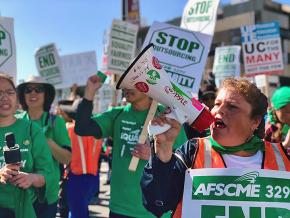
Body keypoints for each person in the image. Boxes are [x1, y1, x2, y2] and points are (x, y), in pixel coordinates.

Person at [141, 78, 290, 217]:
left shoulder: (283, 159)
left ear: (255, 122)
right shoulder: (192, 152)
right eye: (217, 104)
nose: (219, 110)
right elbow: (156, 204)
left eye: (232, 106)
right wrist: (163, 150)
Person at [75, 74, 187, 218]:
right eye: (124, 83)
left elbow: (186, 161)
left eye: (132, 82)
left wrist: (157, 155)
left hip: (158, 211)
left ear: (148, 85)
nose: (126, 87)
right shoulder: (117, 115)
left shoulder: (167, 117)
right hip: (121, 208)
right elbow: (82, 128)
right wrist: (89, 92)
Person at [16, 76, 71, 218]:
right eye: (28, 90)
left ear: (46, 94)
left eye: (38, 89)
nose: (33, 93)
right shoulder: (15, 120)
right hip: (19, 192)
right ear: (23, 95)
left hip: (47, 194)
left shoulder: (55, 122)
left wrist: (43, 139)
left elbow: (67, 158)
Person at [0, 73, 54, 218]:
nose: (4, 97)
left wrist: (31, 178)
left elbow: (48, 174)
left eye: (9, 92)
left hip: (27, 210)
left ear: (16, 99)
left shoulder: (31, 129)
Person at [58, 99, 102, 218]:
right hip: (93, 176)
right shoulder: (98, 130)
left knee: (76, 211)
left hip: (76, 176)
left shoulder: (69, 128)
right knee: (82, 209)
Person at [265, 86, 290, 155]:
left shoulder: (287, 127)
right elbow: (268, 156)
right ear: (276, 110)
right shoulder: (269, 130)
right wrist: (285, 144)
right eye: (288, 112)